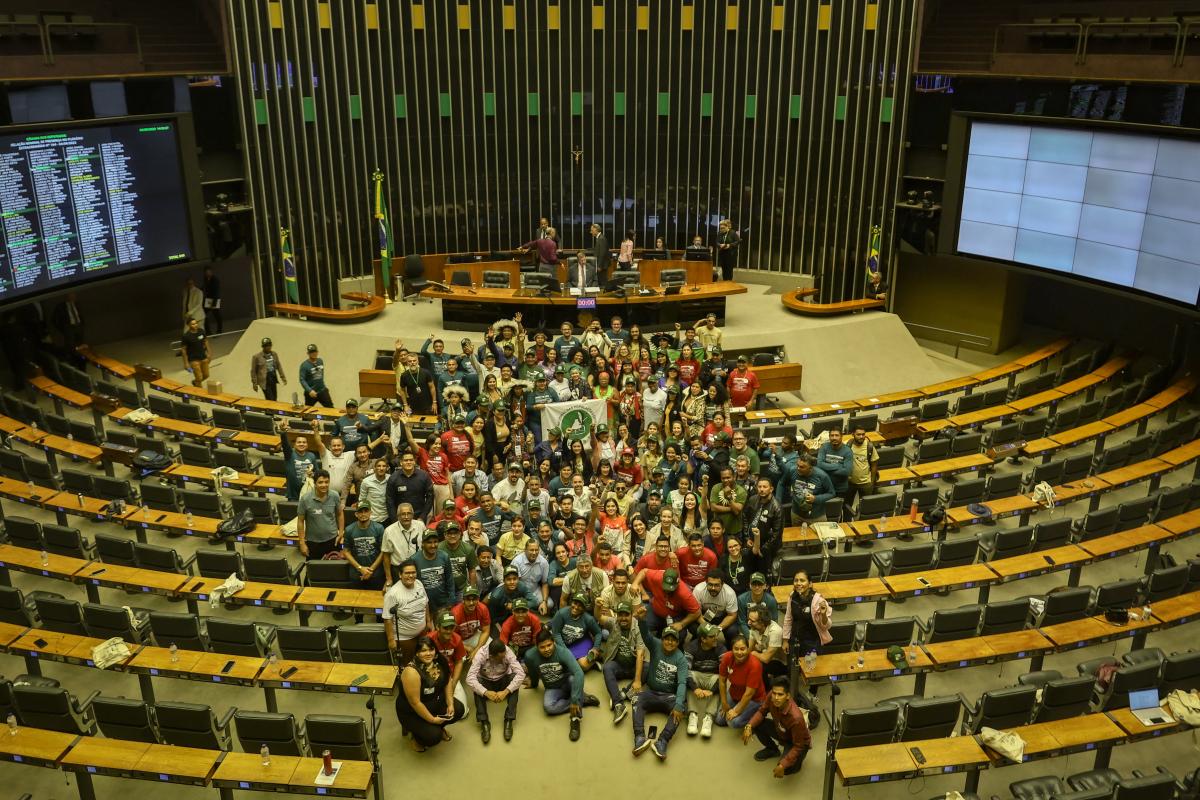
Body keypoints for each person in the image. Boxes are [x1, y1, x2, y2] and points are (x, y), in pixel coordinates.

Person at [631, 606, 689, 760]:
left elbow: (682, 683)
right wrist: (642, 620)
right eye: (667, 639)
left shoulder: (681, 660)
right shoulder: (656, 645)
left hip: (669, 696)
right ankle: (639, 738)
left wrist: (678, 705)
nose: (669, 642)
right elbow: (646, 635)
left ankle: (662, 741)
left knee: (681, 708)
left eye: (673, 640)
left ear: (677, 642)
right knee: (636, 699)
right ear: (662, 639)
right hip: (651, 692)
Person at [522, 629, 598, 741]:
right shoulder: (530, 656)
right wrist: (533, 684)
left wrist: (574, 700)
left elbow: (579, 673)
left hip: (567, 681)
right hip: (552, 687)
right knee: (549, 708)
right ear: (536, 646)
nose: (547, 649)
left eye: (549, 645)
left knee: (574, 680)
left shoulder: (563, 652)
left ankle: (575, 719)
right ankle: (583, 699)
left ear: (554, 642)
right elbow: (533, 672)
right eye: (542, 647)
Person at [395, 637, 466, 751]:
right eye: (423, 651)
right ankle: (416, 738)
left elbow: (447, 680)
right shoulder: (411, 672)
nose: (428, 653)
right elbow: (415, 703)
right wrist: (432, 720)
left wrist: (450, 703)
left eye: (431, 649)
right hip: (413, 712)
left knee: (458, 709)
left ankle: (439, 727)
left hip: (435, 701)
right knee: (434, 737)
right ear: (417, 653)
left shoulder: (439, 660)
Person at [742, 677, 813, 777]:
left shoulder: (796, 718)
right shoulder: (771, 696)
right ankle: (772, 750)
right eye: (774, 693)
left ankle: (796, 763)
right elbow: (762, 711)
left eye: (780, 694)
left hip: (795, 742)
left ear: (788, 696)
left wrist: (783, 765)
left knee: (786, 769)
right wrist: (749, 726)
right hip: (782, 731)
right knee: (756, 724)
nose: (775, 697)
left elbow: (799, 745)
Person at [467, 638, 524, 744]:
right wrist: (485, 692)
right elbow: (469, 678)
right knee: (476, 683)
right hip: (486, 681)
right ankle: (484, 722)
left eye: (504, 655)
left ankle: (509, 719)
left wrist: (506, 691)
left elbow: (521, 674)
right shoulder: (481, 654)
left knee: (514, 678)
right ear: (491, 656)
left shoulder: (507, 652)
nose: (504, 658)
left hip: (502, 680)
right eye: (500, 657)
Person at [600, 601, 645, 723]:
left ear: (632, 615)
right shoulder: (614, 622)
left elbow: (640, 653)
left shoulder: (638, 628)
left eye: (626, 615)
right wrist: (597, 606)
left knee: (648, 668)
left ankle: (624, 693)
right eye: (620, 615)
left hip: (633, 666)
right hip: (618, 665)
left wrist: (637, 680)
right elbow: (599, 617)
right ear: (617, 615)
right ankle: (619, 704)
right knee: (607, 667)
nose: (623, 618)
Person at [383, 559, 430, 665]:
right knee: (409, 665)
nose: (411, 576)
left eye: (413, 572)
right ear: (400, 574)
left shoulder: (419, 583)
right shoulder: (392, 594)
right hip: (405, 638)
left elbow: (426, 603)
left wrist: (428, 621)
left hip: (422, 633)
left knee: (423, 662)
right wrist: (391, 640)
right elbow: (387, 618)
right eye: (407, 573)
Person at [685, 622, 726, 738]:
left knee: (723, 681)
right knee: (688, 676)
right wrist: (695, 688)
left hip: (713, 677)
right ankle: (693, 715)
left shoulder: (721, 648)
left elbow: (725, 674)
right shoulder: (691, 647)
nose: (716, 638)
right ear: (703, 639)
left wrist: (712, 690)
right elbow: (685, 671)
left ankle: (709, 717)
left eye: (716, 635)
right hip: (697, 675)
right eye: (712, 637)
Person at [716, 634, 765, 728]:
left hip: (754, 699)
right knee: (720, 720)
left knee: (732, 722)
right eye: (736, 649)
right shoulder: (726, 658)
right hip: (735, 693)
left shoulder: (755, 665)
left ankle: (759, 715)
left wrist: (736, 711)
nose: (739, 652)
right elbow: (722, 681)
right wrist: (724, 702)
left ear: (748, 649)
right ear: (732, 649)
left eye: (743, 649)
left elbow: (749, 694)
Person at [296, 469, 343, 559]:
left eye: (326, 482)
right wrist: (302, 543)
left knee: (333, 569)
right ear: (315, 483)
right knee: (314, 570)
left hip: (332, 539)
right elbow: (300, 521)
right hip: (313, 542)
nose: (324, 485)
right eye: (320, 482)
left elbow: (340, 514)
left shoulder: (335, 495)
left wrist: (340, 533)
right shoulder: (305, 499)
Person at [411, 528, 456, 612]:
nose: (433, 545)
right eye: (429, 542)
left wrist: (451, 600)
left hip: (442, 603)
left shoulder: (444, 556)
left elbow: (450, 580)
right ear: (423, 543)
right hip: (423, 605)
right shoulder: (414, 559)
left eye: (435, 542)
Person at [343, 500, 385, 589]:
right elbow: (346, 551)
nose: (363, 514)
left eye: (366, 511)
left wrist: (370, 570)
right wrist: (360, 568)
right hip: (356, 573)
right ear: (356, 514)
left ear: (370, 512)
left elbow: (383, 551)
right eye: (360, 512)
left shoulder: (379, 528)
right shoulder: (349, 530)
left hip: (376, 573)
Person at [747, 606, 787, 681]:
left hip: (779, 662)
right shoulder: (754, 628)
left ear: (762, 622)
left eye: (752, 621)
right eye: (749, 619)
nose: (748, 623)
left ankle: (765, 689)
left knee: (757, 666)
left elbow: (766, 659)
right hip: (764, 653)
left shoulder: (775, 631)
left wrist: (754, 653)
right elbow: (749, 649)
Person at [844, 425, 880, 507]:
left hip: (866, 483)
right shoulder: (847, 445)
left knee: (865, 507)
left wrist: (872, 482)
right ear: (853, 434)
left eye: (863, 434)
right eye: (858, 434)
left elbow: (874, 464)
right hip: (850, 482)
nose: (861, 436)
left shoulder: (869, 447)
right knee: (847, 506)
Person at [816, 428, 853, 500]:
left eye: (837, 435)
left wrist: (826, 469)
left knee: (837, 509)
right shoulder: (824, 447)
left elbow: (846, 472)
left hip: (840, 489)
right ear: (829, 437)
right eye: (832, 435)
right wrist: (838, 466)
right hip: (825, 487)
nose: (834, 438)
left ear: (841, 437)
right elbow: (819, 465)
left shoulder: (847, 451)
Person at [179, 317, 210, 388]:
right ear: (188, 325)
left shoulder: (201, 331)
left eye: (196, 323)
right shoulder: (186, 336)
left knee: (206, 375)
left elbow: (206, 342)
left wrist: (209, 354)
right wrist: (186, 363)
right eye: (193, 324)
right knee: (199, 377)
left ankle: (195, 382)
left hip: (203, 357)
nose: (195, 325)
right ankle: (200, 393)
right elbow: (183, 350)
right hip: (193, 360)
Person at [202, 265, 222, 335]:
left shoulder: (215, 280)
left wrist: (213, 303)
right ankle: (208, 332)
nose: (207, 273)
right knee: (203, 314)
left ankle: (219, 330)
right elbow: (204, 287)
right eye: (206, 272)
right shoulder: (205, 278)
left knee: (217, 315)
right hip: (208, 300)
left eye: (208, 272)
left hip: (215, 299)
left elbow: (215, 291)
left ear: (211, 272)